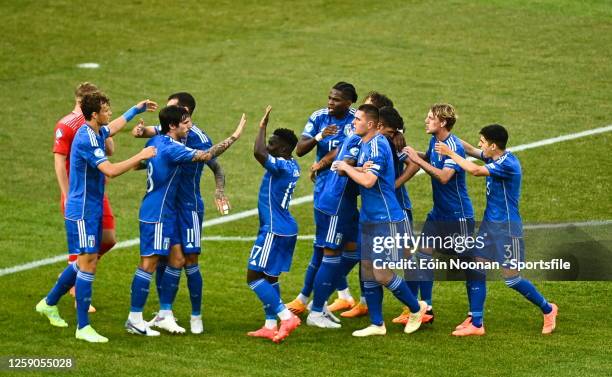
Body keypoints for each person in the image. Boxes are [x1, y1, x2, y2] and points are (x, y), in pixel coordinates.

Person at [37, 92, 158, 343]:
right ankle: (83, 327)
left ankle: (49, 303)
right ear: (94, 114)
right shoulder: (85, 138)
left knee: (93, 253)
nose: (110, 113)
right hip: (81, 210)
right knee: (88, 263)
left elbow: (113, 127)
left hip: (91, 208)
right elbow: (110, 171)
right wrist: (140, 156)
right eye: (106, 109)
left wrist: (135, 110)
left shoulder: (95, 131)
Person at [126, 105, 246, 336]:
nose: (190, 126)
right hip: (158, 212)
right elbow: (207, 155)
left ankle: (163, 314)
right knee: (148, 264)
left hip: (162, 210)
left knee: (176, 258)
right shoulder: (172, 147)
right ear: (172, 126)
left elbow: (142, 164)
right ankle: (134, 318)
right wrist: (235, 136)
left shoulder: (156, 143)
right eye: (185, 123)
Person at [435, 124, 558, 336]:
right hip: (490, 227)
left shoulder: (508, 164)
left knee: (512, 278)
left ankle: (548, 309)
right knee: (476, 268)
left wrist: (450, 152)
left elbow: (474, 170)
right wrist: (447, 135)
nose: (479, 144)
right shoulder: (495, 155)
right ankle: (476, 322)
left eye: (482, 141)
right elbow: (473, 152)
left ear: (493, 146)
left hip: (507, 229)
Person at [334, 104, 427, 337]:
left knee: (382, 272)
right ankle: (377, 323)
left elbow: (367, 182)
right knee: (367, 269)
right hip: (369, 217)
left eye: (358, 119)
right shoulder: (363, 143)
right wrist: (352, 167)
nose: (353, 122)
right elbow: (348, 171)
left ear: (373, 124)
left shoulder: (378, 145)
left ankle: (417, 308)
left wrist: (347, 166)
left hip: (386, 219)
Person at [398, 104, 475, 325]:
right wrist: (408, 153)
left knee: (468, 266)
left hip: (457, 215)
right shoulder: (436, 141)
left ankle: (475, 317)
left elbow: (444, 176)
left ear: (442, 123)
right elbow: (431, 159)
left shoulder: (453, 147)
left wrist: (418, 160)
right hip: (438, 212)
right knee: (421, 256)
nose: (425, 120)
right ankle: (426, 308)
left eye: (430, 118)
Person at [287, 82, 358, 315]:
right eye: (329, 98)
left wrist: (323, 162)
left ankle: (314, 302)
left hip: (343, 190)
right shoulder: (319, 117)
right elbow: (300, 149)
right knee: (327, 245)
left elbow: (348, 148)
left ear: (349, 102)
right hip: (325, 191)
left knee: (335, 247)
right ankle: (333, 299)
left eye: (336, 100)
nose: (330, 103)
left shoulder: (355, 121)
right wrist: (319, 136)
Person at [53, 83, 114, 313]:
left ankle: (73, 271)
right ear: (80, 102)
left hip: (97, 193)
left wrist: (103, 130)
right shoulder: (67, 125)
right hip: (77, 194)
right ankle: (78, 295)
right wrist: (67, 195)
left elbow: (111, 151)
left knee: (108, 238)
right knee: (82, 247)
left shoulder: (95, 126)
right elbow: (59, 162)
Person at [247, 106, 301, 343]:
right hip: (285, 228)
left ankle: (285, 316)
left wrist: (261, 126)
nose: (269, 146)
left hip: (274, 230)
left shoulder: (280, 166)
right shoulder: (292, 166)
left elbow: (258, 152)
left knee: (254, 277)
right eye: (269, 142)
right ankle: (270, 325)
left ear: (285, 149)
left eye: (273, 144)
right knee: (270, 278)